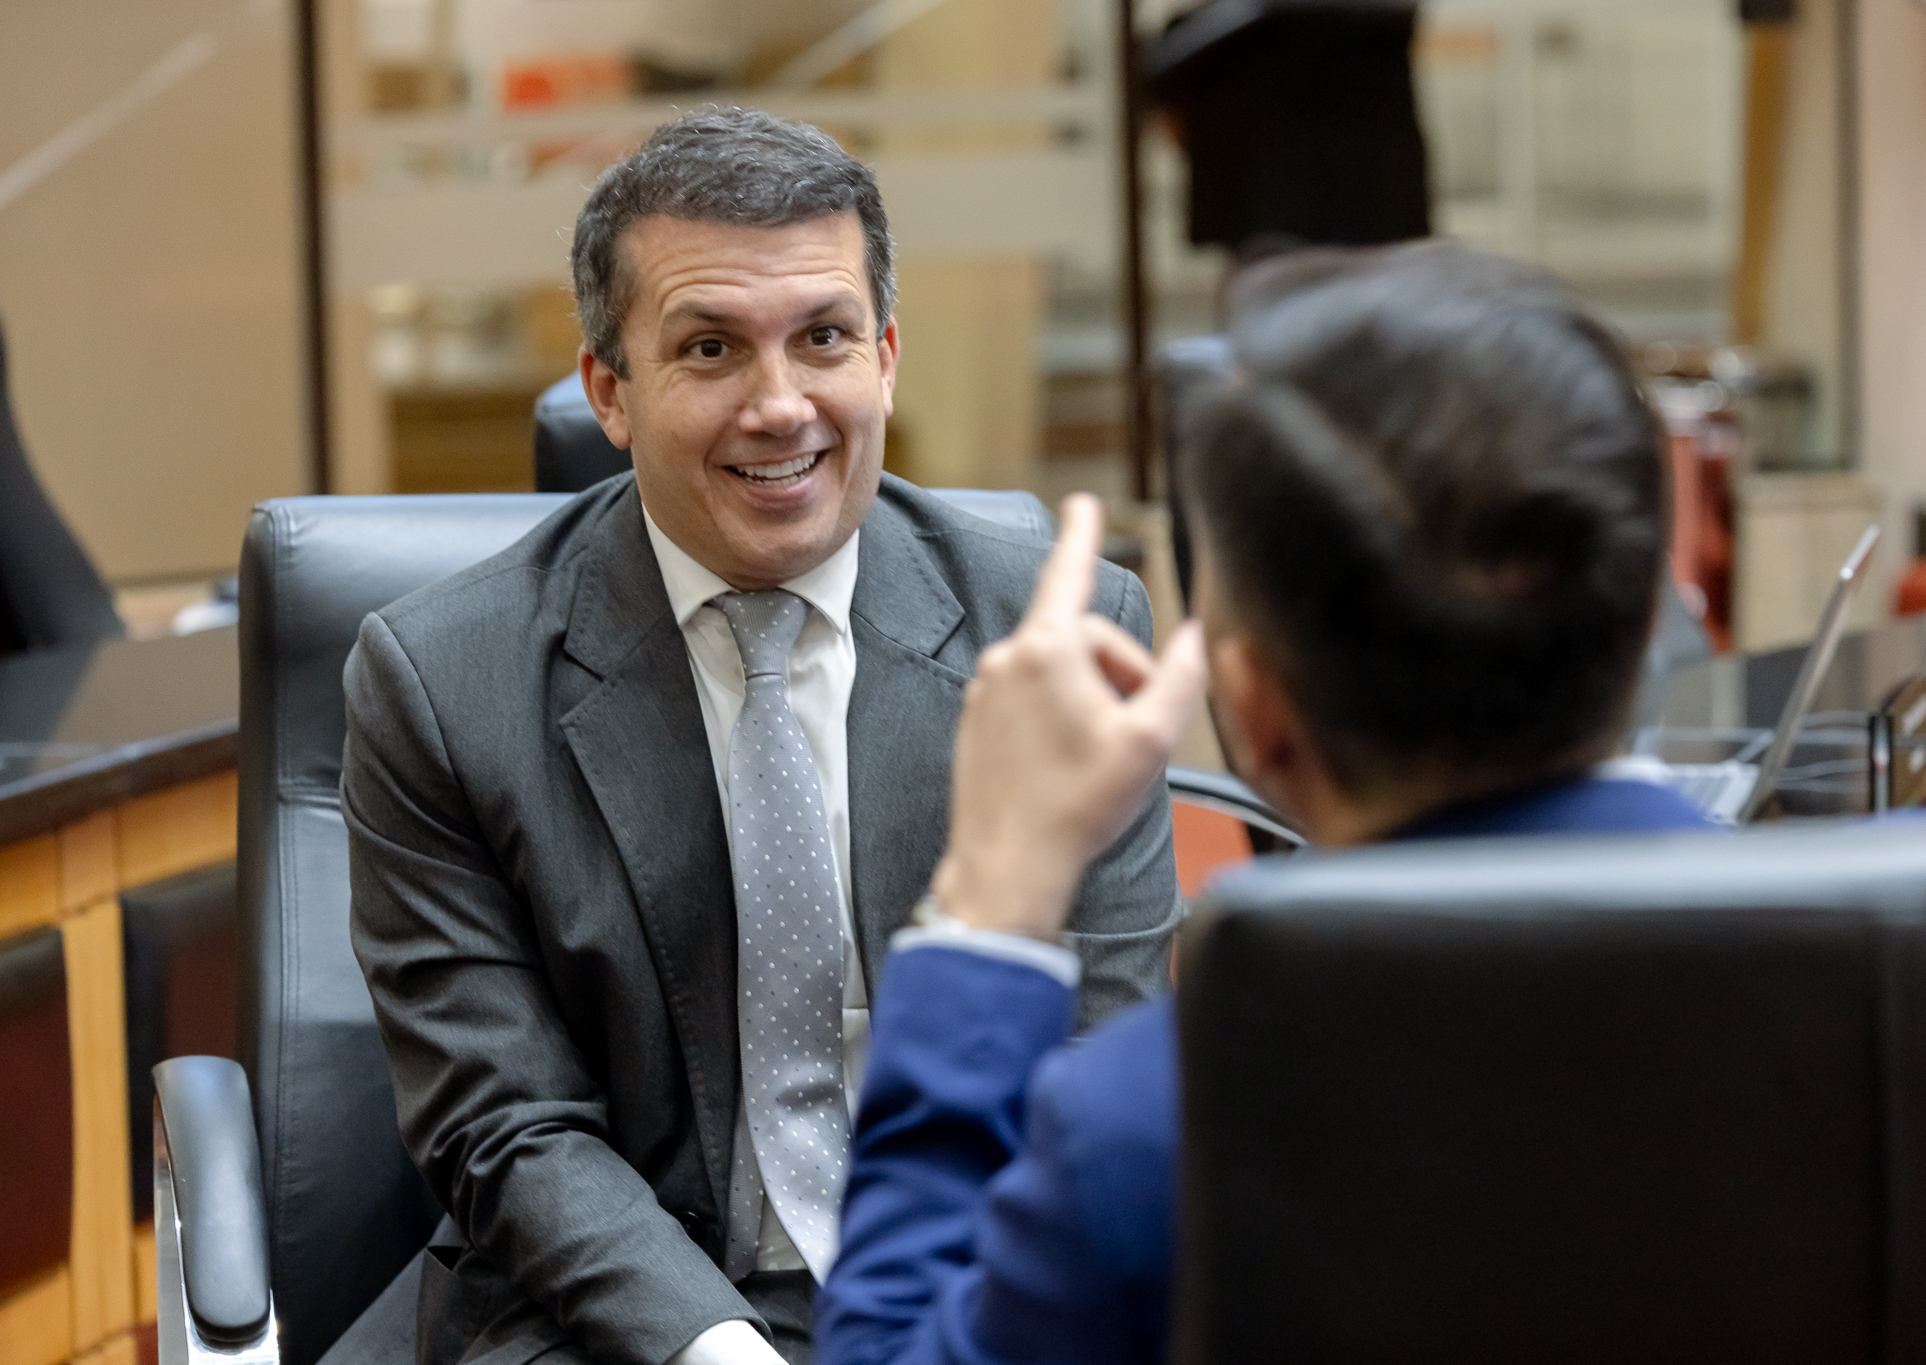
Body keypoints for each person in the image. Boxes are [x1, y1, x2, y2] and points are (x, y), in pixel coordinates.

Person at [339, 107, 1178, 1365]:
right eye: (710, 348)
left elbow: (1096, 1056)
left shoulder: (1058, 636)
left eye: (823, 338)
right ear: (610, 393)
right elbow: (509, 1126)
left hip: (977, 1275)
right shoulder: (442, 680)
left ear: (885, 357)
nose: (779, 407)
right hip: (621, 1311)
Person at [815, 241, 1716, 1365]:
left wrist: (986, 908)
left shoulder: (1152, 1128)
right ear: (1654, 620)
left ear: (1253, 706)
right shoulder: (1903, 982)